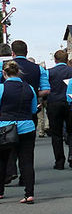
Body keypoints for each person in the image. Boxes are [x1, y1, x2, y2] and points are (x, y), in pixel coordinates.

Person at [2, 40, 49, 184]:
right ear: (27, 52)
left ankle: (8, 174)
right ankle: (25, 179)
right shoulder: (39, 69)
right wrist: (32, 94)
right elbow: (46, 90)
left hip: (6, 113)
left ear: (13, 53)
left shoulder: (3, 67)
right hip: (28, 112)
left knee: (6, 147)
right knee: (27, 150)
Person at [0, 59, 38, 203]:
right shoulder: (29, 88)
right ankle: (29, 193)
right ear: (19, 72)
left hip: (5, 127)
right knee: (27, 161)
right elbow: (33, 109)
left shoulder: (1, 88)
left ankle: (0, 191)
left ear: (4, 73)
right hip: (27, 126)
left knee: (2, 160)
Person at [46, 49, 72, 170]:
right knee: (71, 131)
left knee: (56, 133)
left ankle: (59, 161)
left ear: (55, 60)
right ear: (66, 60)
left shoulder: (49, 72)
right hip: (70, 102)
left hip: (54, 103)